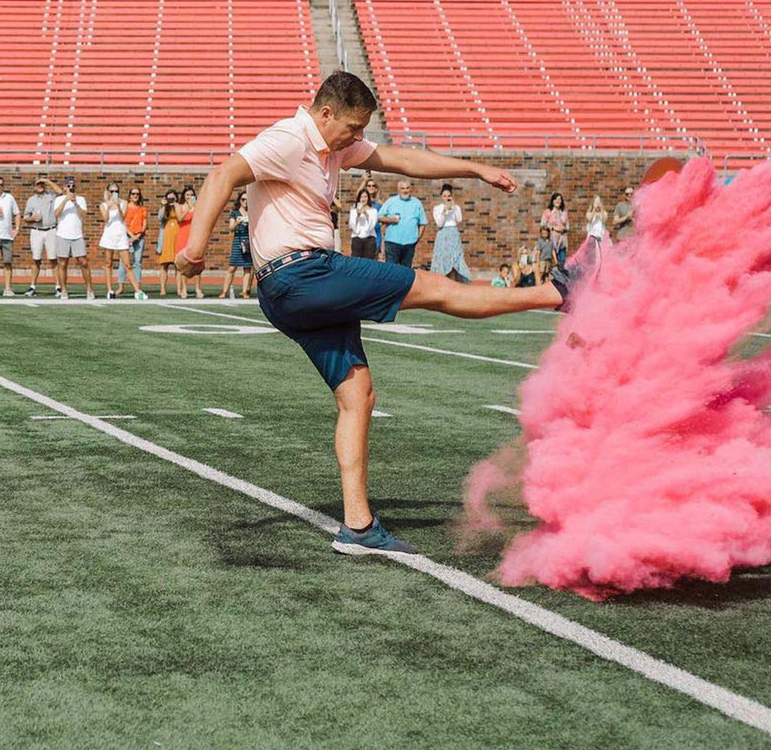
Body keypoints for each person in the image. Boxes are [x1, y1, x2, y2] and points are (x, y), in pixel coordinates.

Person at [176, 72, 569, 559]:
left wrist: (476, 169)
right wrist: (194, 249)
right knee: (435, 288)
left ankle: (357, 527)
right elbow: (222, 175)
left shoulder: (334, 146)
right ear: (324, 114)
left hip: (291, 292)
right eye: (353, 127)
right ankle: (559, 291)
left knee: (358, 394)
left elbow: (401, 158)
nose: (359, 138)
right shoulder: (287, 139)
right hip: (304, 274)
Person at [98, 183, 149, 301]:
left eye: (116, 191)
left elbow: (122, 218)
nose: (113, 193)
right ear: (107, 192)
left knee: (128, 264)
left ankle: (137, 291)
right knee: (108, 263)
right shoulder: (104, 205)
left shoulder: (123, 203)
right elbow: (106, 219)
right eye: (111, 191)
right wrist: (109, 205)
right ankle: (110, 290)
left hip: (121, 235)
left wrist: (118, 206)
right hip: (109, 235)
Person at [54, 176, 94, 300]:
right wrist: (66, 199)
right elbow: (56, 214)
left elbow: (84, 215)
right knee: (62, 263)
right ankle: (64, 290)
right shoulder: (59, 199)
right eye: (68, 186)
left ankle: (89, 290)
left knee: (83, 262)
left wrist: (75, 202)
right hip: (62, 235)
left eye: (72, 186)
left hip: (77, 235)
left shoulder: (81, 199)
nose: (70, 188)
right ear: (64, 187)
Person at [23, 177, 62, 297]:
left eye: (42, 184)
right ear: (34, 186)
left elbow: (60, 192)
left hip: (51, 230)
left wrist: (48, 181)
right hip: (36, 231)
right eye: (38, 184)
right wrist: (33, 218)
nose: (40, 186)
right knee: (36, 259)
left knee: (53, 259)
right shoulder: (31, 200)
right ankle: (32, 286)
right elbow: (25, 218)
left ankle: (58, 287)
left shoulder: (50, 196)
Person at [378, 179, 427, 268]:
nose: (405, 191)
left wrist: (417, 237)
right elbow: (379, 217)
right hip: (392, 242)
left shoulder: (416, 203)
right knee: (391, 270)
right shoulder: (391, 201)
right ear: (398, 190)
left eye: (407, 188)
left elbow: (423, 223)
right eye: (402, 188)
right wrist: (391, 220)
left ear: (410, 189)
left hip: (409, 243)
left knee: (406, 271)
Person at [430, 182, 470, 282]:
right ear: (441, 196)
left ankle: (454, 282)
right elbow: (439, 223)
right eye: (444, 196)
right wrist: (444, 211)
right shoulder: (437, 208)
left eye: (449, 195)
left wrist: (453, 207)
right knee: (443, 258)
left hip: (453, 234)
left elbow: (459, 219)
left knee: (455, 259)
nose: (446, 198)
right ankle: (441, 282)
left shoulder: (456, 207)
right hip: (443, 233)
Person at [219, 191, 253, 299]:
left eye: (247, 199)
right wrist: (238, 222)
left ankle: (245, 292)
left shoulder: (252, 212)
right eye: (243, 199)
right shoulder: (235, 213)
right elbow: (231, 228)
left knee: (247, 268)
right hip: (238, 242)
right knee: (232, 267)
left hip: (248, 242)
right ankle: (224, 291)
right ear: (239, 200)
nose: (245, 202)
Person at [175, 185, 204, 299]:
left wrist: (196, 207)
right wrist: (188, 208)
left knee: (196, 263)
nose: (189, 197)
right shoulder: (180, 206)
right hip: (183, 235)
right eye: (187, 195)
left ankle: (197, 288)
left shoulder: (198, 207)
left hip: (194, 235)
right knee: (184, 264)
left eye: (191, 195)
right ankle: (184, 289)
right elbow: (179, 218)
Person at [118, 185, 147, 294]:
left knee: (137, 262)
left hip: (139, 238)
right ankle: (121, 287)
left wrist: (137, 236)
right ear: (129, 196)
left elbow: (144, 224)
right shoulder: (125, 207)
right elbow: (122, 223)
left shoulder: (143, 208)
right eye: (133, 194)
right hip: (126, 237)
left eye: (137, 194)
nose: (135, 196)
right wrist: (130, 235)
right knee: (123, 263)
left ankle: (137, 287)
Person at [158, 189, 179, 296]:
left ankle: (179, 288)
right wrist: (163, 206)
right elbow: (160, 218)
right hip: (166, 236)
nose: (171, 200)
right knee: (164, 264)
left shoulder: (179, 206)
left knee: (178, 265)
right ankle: (162, 288)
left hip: (178, 235)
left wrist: (175, 204)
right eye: (169, 198)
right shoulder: (164, 208)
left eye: (173, 198)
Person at [540, 192, 569, 268]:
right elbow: (543, 224)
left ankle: (561, 278)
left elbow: (568, 226)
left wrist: (563, 229)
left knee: (562, 263)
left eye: (559, 199)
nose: (557, 201)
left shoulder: (563, 212)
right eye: (556, 199)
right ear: (552, 201)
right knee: (552, 264)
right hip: (551, 241)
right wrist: (553, 228)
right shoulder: (548, 212)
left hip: (562, 241)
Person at [348, 188, 379, 260]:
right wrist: (358, 215)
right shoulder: (353, 210)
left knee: (369, 261)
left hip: (369, 238)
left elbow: (372, 225)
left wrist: (366, 214)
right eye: (361, 197)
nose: (363, 199)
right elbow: (351, 225)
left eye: (365, 197)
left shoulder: (373, 211)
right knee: (356, 260)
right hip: (357, 238)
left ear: (368, 198)